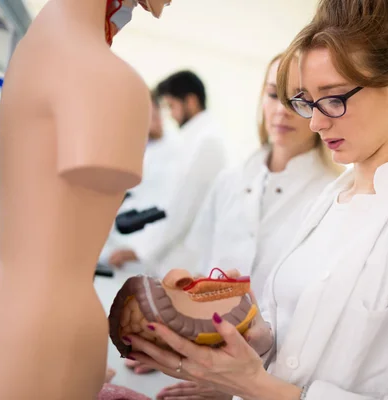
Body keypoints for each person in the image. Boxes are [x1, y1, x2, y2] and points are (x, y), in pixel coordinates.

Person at [121, 1, 388, 399]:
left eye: (333, 98)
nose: (315, 122)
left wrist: (255, 384)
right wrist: (244, 343)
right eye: (306, 102)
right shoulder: (332, 201)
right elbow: (297, 349)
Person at [127, 53, 343, 380]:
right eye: (273, 95)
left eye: (301, 98)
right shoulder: (231, 180)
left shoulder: (335, 198)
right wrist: (174, 341)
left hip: (277, 379)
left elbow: (314, 320)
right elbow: (199, 267)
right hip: (207, 362)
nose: (282, 109)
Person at [108, 70, 227, 270]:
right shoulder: (195, 138)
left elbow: (182, 209)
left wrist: (141, 252)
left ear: (190, 101)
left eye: (171, 106)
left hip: (185, 259)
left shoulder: (206, 142)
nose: (170, 115)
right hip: (172, 253)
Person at [99, 91, 180, 264]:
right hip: (115, 241)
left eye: (155, 111)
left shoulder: (176, 152)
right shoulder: (134, 146)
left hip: (142, 250)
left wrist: (137, 251)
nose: (154, 117)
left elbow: (169, 211)